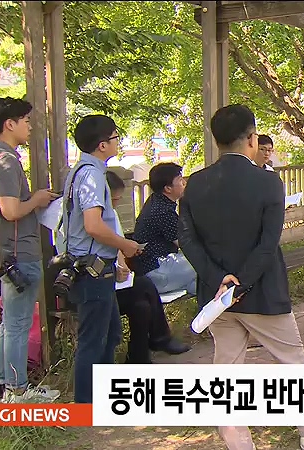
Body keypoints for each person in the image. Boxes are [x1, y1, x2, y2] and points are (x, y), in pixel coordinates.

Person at [178, 104, 304, 450]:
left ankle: (237, 441)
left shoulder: (195, 183)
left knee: (227, 366)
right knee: (291, 360)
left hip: (217, 296)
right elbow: (268, 242)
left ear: (217, 140)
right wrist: (242, 282)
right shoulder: (268, 182)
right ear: (251, 138)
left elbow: (187, 238)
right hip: (261, 290)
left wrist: (219, 280)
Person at [0, 97, 61, 403]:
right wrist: (37, 199)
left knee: (10, 325)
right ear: (9, 124)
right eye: (26, 121)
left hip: (8, 255)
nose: (29, 127)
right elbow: (11, 210)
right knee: (18, 325)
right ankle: (17, 390)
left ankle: (10, 385)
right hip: (19, 254)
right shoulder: (6, 161)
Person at [61, 114, 143, 404]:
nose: (118, 142)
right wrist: (125, 245)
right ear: (102, 144)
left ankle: (103, 396)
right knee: (94, 339)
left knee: (110, 334)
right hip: (92, 268)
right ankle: (86, 403)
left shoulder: (81, 171)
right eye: (115, 137)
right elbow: (93, 225)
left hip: (96, 266)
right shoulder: (92, 175)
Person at [105, 171, 190, 363]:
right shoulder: (161, 210)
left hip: (121, 278)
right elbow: (185, 244)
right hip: (111, 281)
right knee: (200, 268)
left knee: (142, 305)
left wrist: (122, 265)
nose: (116, 204)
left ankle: (140, 358)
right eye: (114, 199)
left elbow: (117, 246)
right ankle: (162, 339)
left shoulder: (111, 213)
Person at [133, 162, 197, 296]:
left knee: (201, 280)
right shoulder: (163, 211)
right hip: (158, 270)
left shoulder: (156, 201)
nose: (184, 183)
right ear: (168, 188)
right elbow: (185, 243)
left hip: (155, 268)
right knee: (206, 261)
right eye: (180, 181)